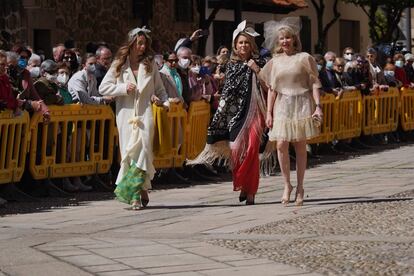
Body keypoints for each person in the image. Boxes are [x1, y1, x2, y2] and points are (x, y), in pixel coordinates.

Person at [189, 20, 265, 205]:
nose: (244, 45)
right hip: (234, 114)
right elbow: (228, 92)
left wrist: (257, 70)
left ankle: (251, 190)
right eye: (240, 42)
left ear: (252, 44)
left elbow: (269, 85)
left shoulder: (261, 62)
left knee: (253, 148)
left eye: (247, 42)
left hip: (255, 112)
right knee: (237, 150)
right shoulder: (231, 66)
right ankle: (243, 184)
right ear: (235, 45)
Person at [99, 26, 169, 209]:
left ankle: (135, 193)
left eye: (145, 43)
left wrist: (164, 103)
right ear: (131, 44)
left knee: (144, 153)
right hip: (126, 116)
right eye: (139, 43)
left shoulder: (150, 64)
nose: (142, 47)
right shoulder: (119, 65)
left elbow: (160, 89)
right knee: (129, 155)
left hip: (145, 115)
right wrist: (122, 88)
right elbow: (103, 88)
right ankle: (139, 191)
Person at [259, 17, 322, 206]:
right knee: (280, 145)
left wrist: (318, 106)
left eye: (288, 38)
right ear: (278, 42)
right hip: (282, 105)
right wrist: (269, 113)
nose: (285, 41)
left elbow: (315, 84)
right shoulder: (274, 62)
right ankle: (287, 184)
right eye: (281, 39)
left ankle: (301, 186)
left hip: (301, 102)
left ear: (294, 39)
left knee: (300, 146)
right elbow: (272, 89)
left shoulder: (304, 58)